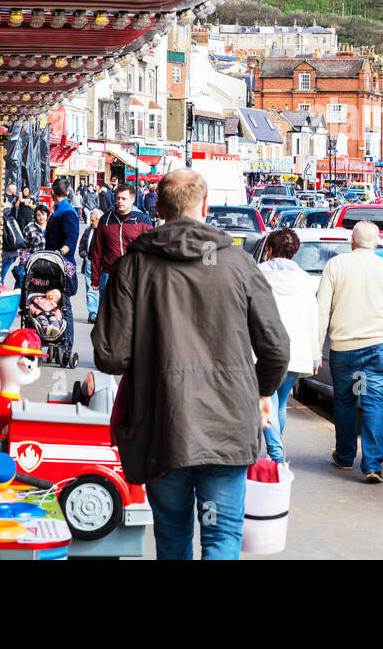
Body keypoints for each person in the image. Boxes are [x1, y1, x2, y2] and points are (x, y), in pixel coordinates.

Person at [92, 169, 289, 560]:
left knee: (172, 538)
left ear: (159, 208)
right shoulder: (237, 264)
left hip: (162, 425)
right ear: (205, 206)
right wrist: (262, 391)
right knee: (220, 538)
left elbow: (110, 356)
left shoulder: (133, 267)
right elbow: (276, 348)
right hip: (227, 427)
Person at [316, 220, 383, 483]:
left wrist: (316, 348)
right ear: (378, 241)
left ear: (351, 241)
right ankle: (372, 465)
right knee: (374, 403)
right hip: (379, 345)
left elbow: (321, 310)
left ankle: (345, 456)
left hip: (344, 346)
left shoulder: (335, 266)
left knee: (345, 402)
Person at [257, 229, 322, 463]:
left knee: (266, 399)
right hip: (296, 350)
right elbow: (313, 318)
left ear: (269, 249)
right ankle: (276, 447)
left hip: (264, 350)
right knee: (281, 401)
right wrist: (315, 354)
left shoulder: (257, 275)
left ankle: (275, 451)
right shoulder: (306, 280)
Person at [89, 184, 151, 301]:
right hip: (108, 274)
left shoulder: (142, 220)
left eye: (124, 198)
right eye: (118, 198)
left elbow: (149, 250)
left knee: (131, 315)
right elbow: (97, 251)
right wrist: (95, 277)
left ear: (132, 200)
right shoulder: (105, 219)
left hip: (133, 274)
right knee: (107, 315)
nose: (120, 201)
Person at [78, 208, 103, 320]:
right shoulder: (89, 231)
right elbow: (81, 246)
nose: (91, 222)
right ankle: (93, 313)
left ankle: (101, 313)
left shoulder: (105, 231)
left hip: (103, 263)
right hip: (90, 261)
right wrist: (85, 255)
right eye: (91, 220)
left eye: (93, 220)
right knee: (91, 288)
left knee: (102, 288)